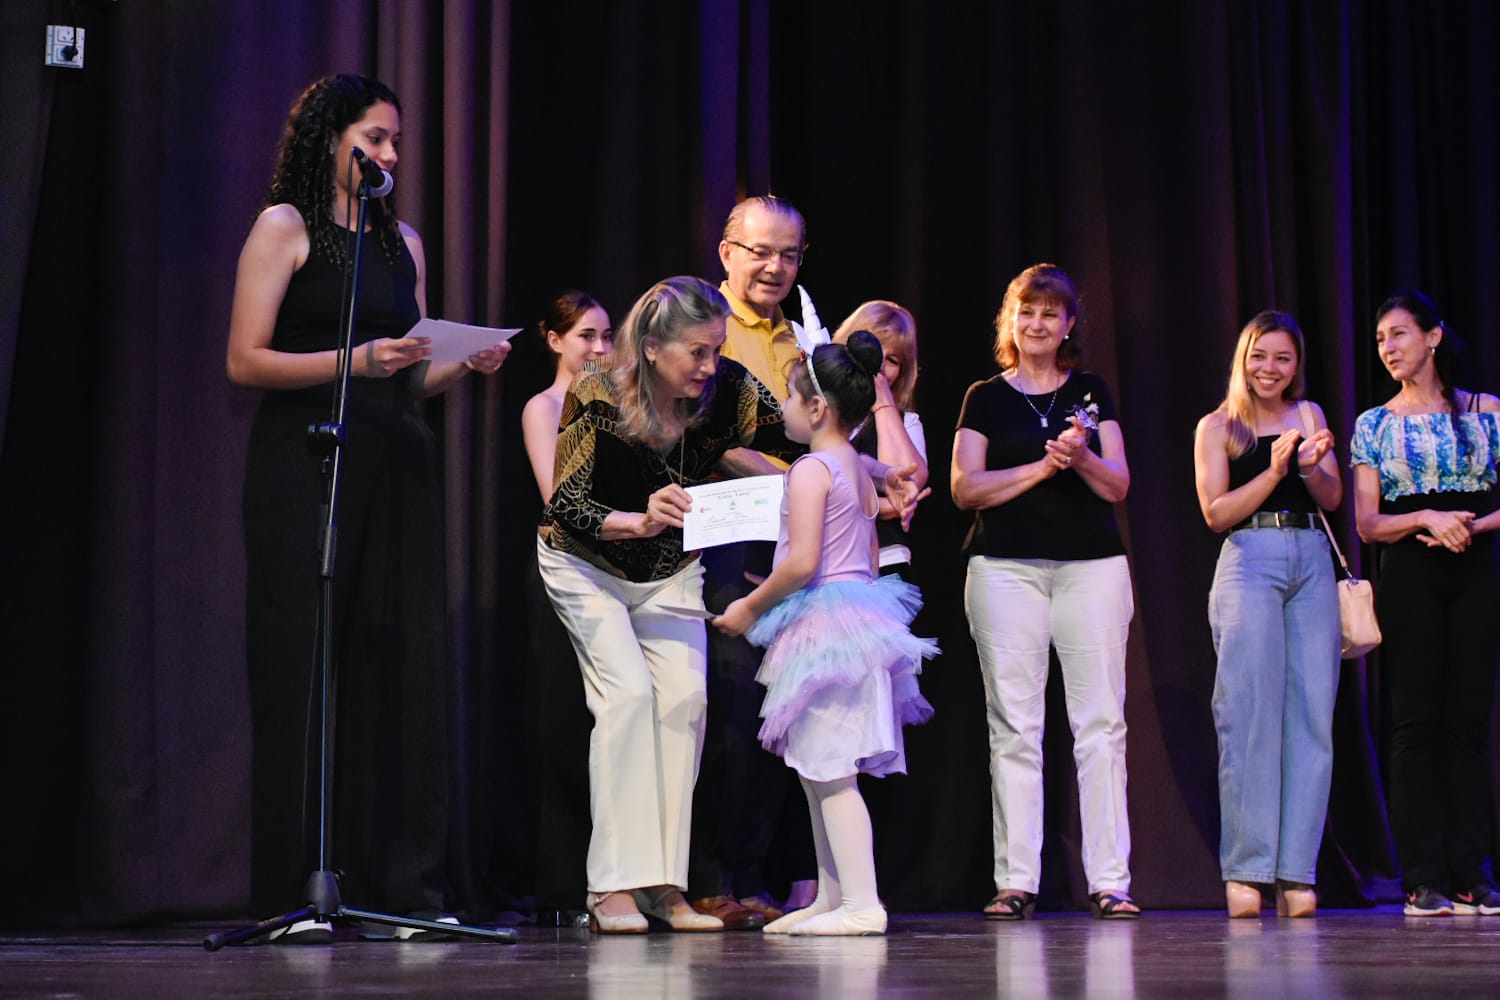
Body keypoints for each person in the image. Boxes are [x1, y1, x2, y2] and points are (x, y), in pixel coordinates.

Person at [226, 74, 509, 941]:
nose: (388, 156)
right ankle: (294, 889)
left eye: (394, 143)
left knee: (400, 668)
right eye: (373, 139)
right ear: (329, 137)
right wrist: (355, 358)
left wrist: (464, 361)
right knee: (302, 672)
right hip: (305, 463)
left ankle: (404, 887)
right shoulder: (285, 227)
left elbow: (411, 370)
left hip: (396, 463)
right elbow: (245, 359)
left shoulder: (404, 243)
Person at [535, 275, 801, 934]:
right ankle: (612, 889)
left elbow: (796, 437)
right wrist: (638, 518)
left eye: (716, 350)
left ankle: (663, 886)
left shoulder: (728, 388)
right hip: (585, 563)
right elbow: (565, 503)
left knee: (684, 702)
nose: (711, 366)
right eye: (698, 352)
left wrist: (869, 468)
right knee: (626, 697)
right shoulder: (597, 390)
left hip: (669, 570)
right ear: (653, 346)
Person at [713, 330, 938, 936]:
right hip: (855, 615)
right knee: (819, 771)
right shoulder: (851, 465)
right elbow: (868, 479)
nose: (780, 410)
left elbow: (801, 561)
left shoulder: (814, 468)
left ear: (817, 409)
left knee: (831, 774)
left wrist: (749, 608)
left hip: (828, 624)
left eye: (788, 398)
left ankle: (862, 903)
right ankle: (832, 896)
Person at [951, 263, 1139, 920]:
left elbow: (1118, 485)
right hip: (1004, 571)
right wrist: (1041, 466)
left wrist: (1081, 458)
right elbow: (964, 488)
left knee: (1101, 725)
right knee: (1015, 727)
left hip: (1091, 569)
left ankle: (1111, 881)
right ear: (1011, 320)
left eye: (1051, 315)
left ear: (1068, 326)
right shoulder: (986, 397)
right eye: (1026, 312)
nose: (1038, 324)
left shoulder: (1090, 392)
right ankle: (1017, 881)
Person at [687, 195, 816, 927]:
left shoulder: (800, 339)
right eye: (761, 250)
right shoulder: (701, 326)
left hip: (789, 533)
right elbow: (701, 433)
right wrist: (790, 478)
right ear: (727, 252)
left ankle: (753, 874)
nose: (774, 266)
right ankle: (706, 872)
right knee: (723, 698)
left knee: (779, 701)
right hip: (720, 527)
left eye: (789, 254)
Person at [1350, 291, 1500, 917]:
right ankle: (1423, 877)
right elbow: (1365, 522)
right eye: (1381, 338)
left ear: (1433, 337)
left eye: (1398, 335)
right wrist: (1426, 519)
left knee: (1467, 722)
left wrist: (1469, 526)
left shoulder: (1485, 409)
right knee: (1415, 724)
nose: (1388, 348)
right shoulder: (1374, 423)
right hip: (1410, 570)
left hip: (1476, 567)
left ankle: (1472, 871)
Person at [1192, 311, 1343, 918]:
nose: (1270, 369)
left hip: (1311, 557)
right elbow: (1216, 512)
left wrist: (1308, 466)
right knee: (1249, 715)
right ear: (1243, 357)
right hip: (1250, 557)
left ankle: (1296, 873)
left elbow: (1332, 498)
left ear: (1295, 365)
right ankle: (1249, 870)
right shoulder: (1219, 425)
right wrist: (1276, 470)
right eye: (1260, 356)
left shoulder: (1310, 417)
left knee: (1311, 717)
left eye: (1282, 359)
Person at [520, 291, 613, 926]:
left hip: (622, 574)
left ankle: (615, 881)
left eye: (606, 336)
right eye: (585, 336)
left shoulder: (619, 408)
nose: (599, 349)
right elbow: (559, 497)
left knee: (614, 725)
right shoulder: (545, 407)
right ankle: (560, 886)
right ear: (554, 340)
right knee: (564, 725)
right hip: (567, 569)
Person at [832, 301, 929, 571]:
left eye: (893, 360)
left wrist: (883, 404)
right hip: (825, 561)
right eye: (873, 351)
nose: (880, 366)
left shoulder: (906, 422)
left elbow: (904, 481)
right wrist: (886, 506)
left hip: (885, 560)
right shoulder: (818, 411)